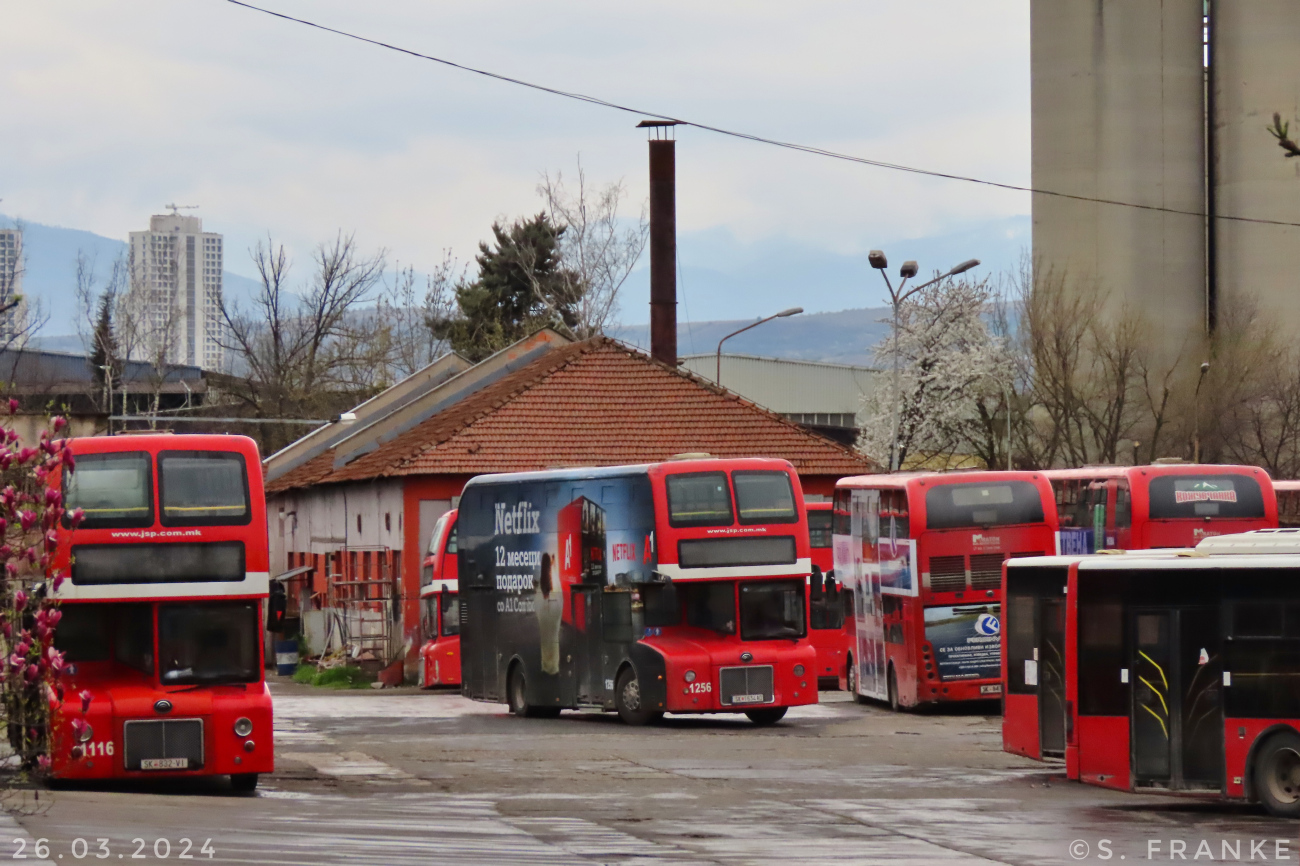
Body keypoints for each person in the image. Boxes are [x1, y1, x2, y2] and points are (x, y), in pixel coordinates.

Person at [536, 552, 563, 675]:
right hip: (553, 616)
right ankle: (553, 666)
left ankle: (545, 665)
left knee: (545, 642)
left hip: (544, 618)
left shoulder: (541, 585)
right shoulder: (554, 584)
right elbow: (560, 599)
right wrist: (554, 565)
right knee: (553, 640)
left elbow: (538, 606)